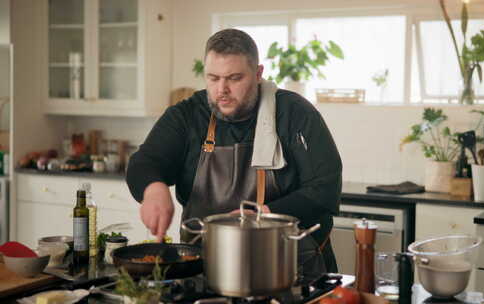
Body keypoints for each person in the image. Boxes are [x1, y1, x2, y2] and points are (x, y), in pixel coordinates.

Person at [126, 28, 342, 276]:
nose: (222, 90)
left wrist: (261, 216)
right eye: (213, 78)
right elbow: (144, 162)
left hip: (289, 269)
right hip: (205, 269)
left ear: (258, 73)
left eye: (234, 78)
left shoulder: (295, 114)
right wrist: (153, 189)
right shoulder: (187, 115)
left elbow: (325, 187)